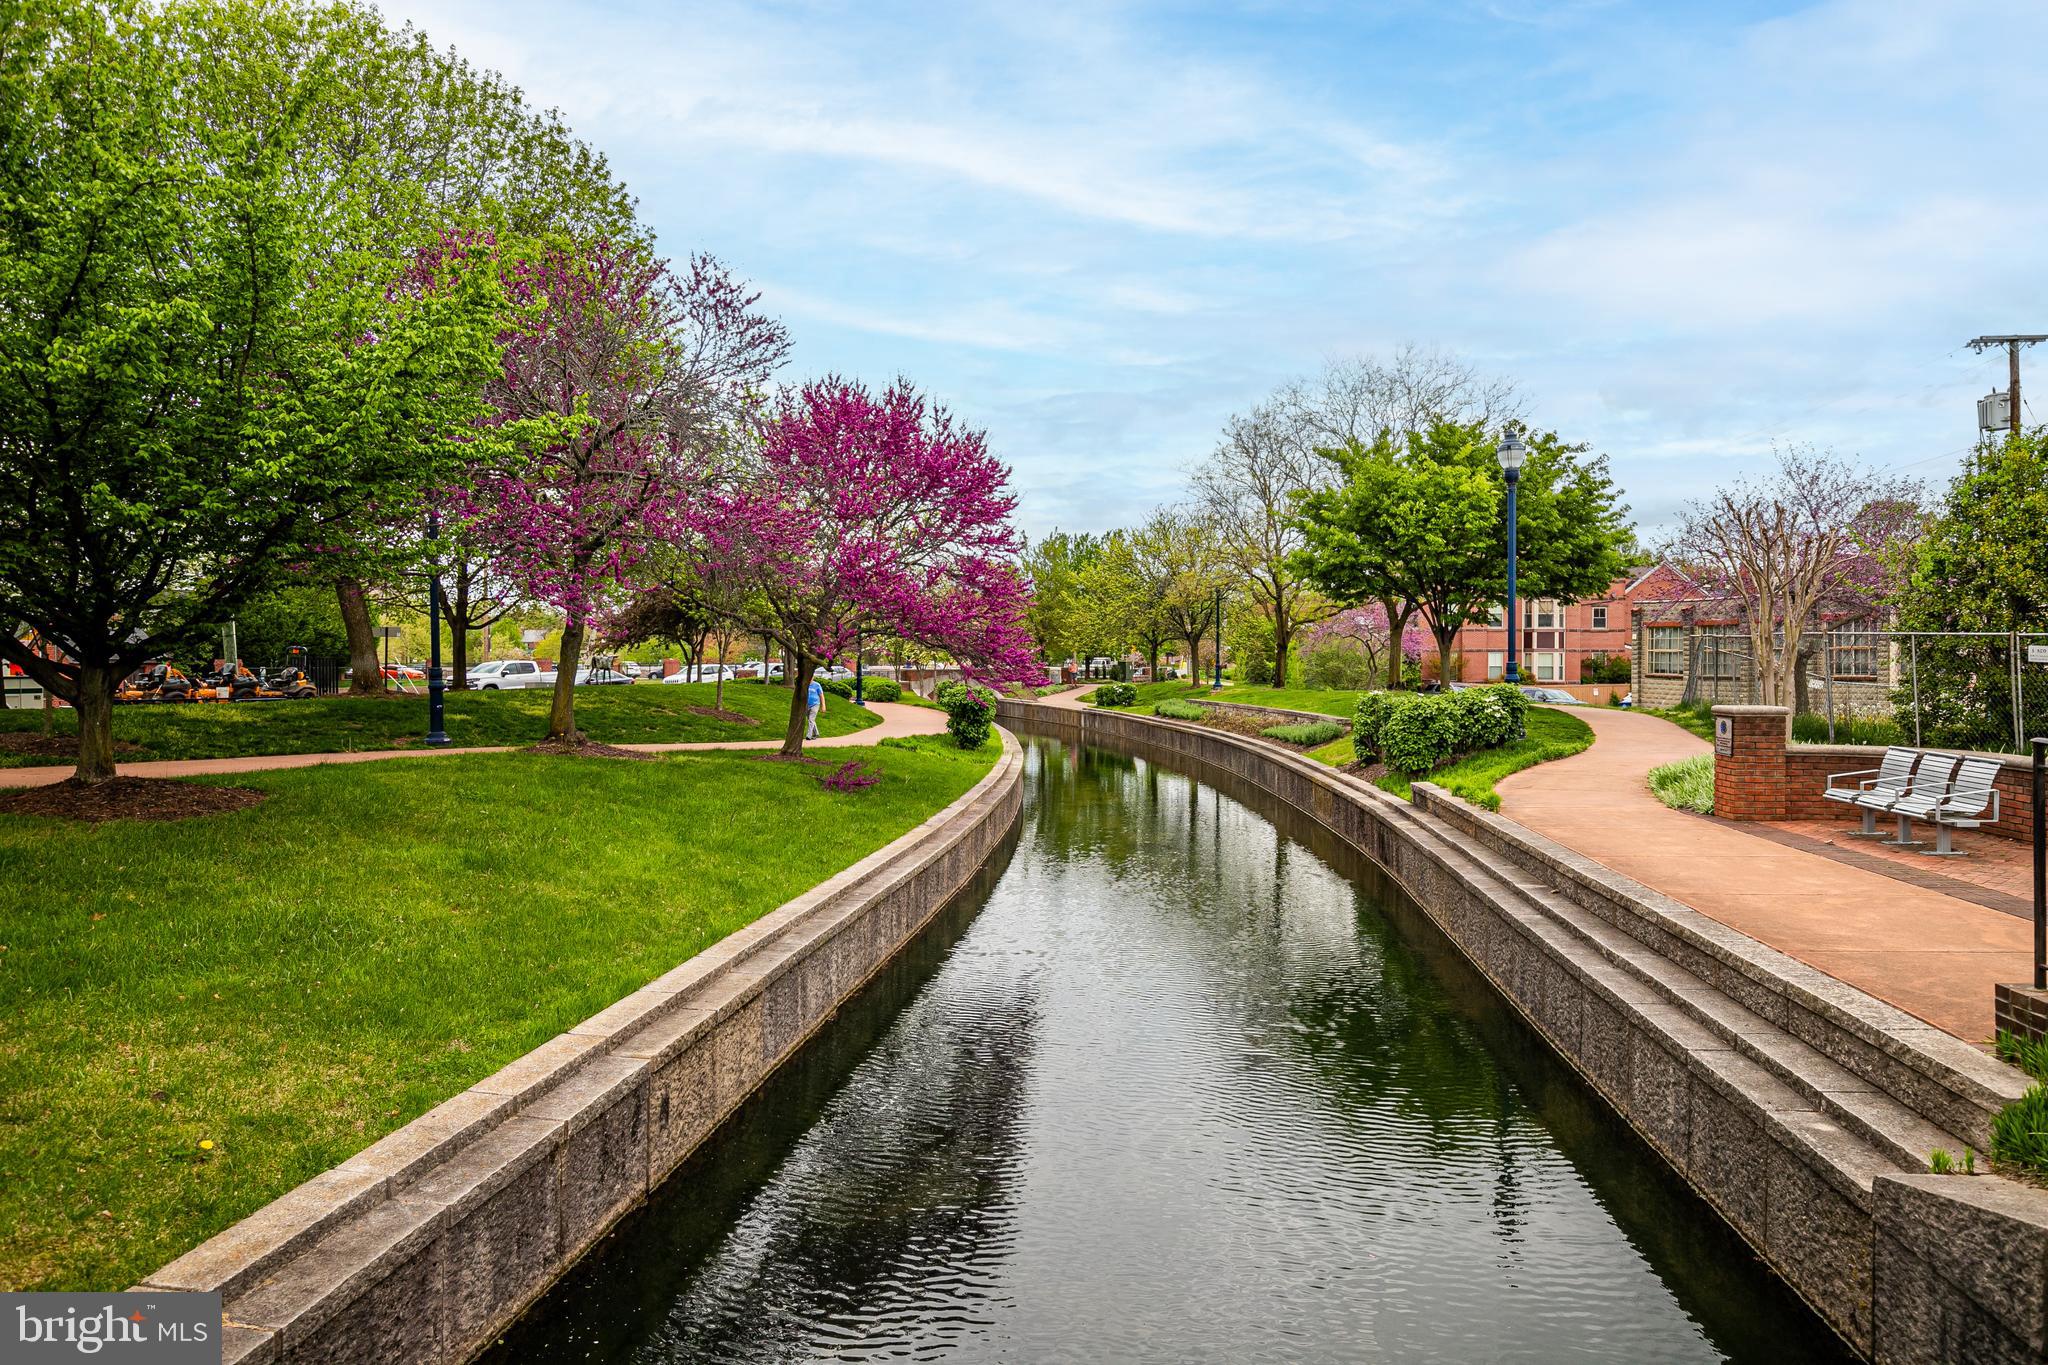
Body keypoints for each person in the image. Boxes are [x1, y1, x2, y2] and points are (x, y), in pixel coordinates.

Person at [806, 673, 825, 739]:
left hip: (815, 704)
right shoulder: (805, 684)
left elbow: (821, 695)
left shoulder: (817, 685)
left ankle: (809, 735)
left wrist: (823, 706)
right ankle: (816, 733)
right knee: (810, 720)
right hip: (806, 705)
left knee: (811, 719)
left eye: (811, 677)